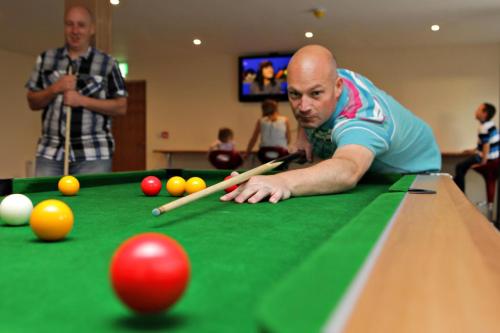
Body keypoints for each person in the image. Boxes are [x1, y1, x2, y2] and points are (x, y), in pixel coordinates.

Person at [221, 44, 441, 204]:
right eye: (294, 94)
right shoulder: (323, 82)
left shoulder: (362, 114)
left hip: (416, 174)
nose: (303, 106)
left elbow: (348, 169)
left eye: (315, 93)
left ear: (338, 87)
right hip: (372, 172)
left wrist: (283, 182)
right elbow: (306, 98)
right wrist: (302, 134)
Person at [26, 5, 127, 177]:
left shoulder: (108, 63)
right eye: (69, 24)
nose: (75, 30)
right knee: (47, 204)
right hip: (50, 152)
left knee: (92, 204)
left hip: (93, 153)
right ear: (64, 27)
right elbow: (32, 101)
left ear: (92, 29)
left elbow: (121, 107)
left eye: (81, 25)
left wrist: (81, 100)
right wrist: (54, 89)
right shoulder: (46, 59)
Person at [454, 103, 499, 192]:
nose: (475, 112)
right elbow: (485, 144)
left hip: (488, 159)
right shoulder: (491, 125)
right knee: (462, 169)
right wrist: (473, 150)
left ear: (484, 113)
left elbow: (486, 146)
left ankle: (460, 194)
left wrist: (483, 162)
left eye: (478, 110)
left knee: (459, 167)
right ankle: (456, 184)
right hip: (495, 158)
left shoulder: (483, 128)